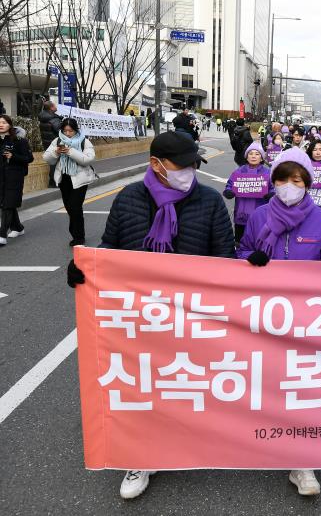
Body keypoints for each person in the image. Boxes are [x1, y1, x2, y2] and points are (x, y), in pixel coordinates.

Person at [66, 132, 234, 499]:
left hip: (193, 316)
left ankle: (190, 441)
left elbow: (226, 258)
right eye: (182, 165)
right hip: (140, 317)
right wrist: (86, 269)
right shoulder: (128, 199)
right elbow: (110, 248)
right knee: (141, 385)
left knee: (186, 381)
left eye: (194, 164)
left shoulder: (209, 201)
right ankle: (140, 456)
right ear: (156, 164)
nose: (189, 171)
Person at [236, 147, 321, 498]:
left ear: (307, 184)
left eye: (296, 180)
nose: (288, 186)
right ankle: (258, 439)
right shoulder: (259, 216)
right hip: (264, 314)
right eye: (282, 179)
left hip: (307, 319)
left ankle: (302, 462)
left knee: (303, 385)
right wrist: (247, 259)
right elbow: (240, 253)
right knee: (266, 381)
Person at [43, 118, 97, 246]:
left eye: (70, 131)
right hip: (64, 179)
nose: (67, 133)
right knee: (69, 208)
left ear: (76, 130)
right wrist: (56, 152)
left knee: (75, 207)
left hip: (80, 178)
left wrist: (71, 152)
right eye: (65, 130)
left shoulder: (84, 141)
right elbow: (47, 158)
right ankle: (75, 234)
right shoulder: (57, 141)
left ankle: (79, 238)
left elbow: (88, 159)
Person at [223, 142, 272, 243]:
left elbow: (274, 188)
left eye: (257, 154)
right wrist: (228, 191)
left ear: (262, 158)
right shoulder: (238, 172)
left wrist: (271, 194)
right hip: (241, 215)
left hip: (260, 216)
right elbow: (229, 185)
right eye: (251, 153)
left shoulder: (267, 173)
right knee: (239, 243)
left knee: (258, 242)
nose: (253, 156)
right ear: (246, 156)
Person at [0, 115, 34, 246]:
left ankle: (2, 235)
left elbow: (29, 158)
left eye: (4, 122)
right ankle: (18, 227)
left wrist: (13, 156)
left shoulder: (19, 140)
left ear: (10, 125)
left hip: (14, 177)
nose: (1, 125)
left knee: (7, 204)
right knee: (7, 203)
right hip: (1, 177)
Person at [38, 100, 62, 188]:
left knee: (52, 162)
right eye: (55, 106)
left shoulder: (43, 117)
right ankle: (54, 182)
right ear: (51, 108)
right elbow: (60, 131)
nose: (56, 107)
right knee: (56, 163)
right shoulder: (53, 119)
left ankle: (53, 182)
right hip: (55, 143)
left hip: (47, 143)